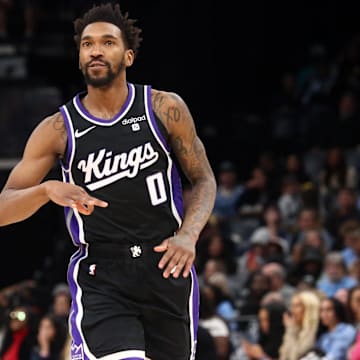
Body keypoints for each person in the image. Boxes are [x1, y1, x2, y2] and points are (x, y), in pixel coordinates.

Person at [0, 2, 217, 360]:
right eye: (87, 44)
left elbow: (204, 179)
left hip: (167, 266)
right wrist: (45, 190)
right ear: (79, 56)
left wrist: (189, 234)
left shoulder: (164, 108)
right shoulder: (57, 129)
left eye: (107, 42)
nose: (96, 50)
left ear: (128, 56)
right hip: (103, 274)